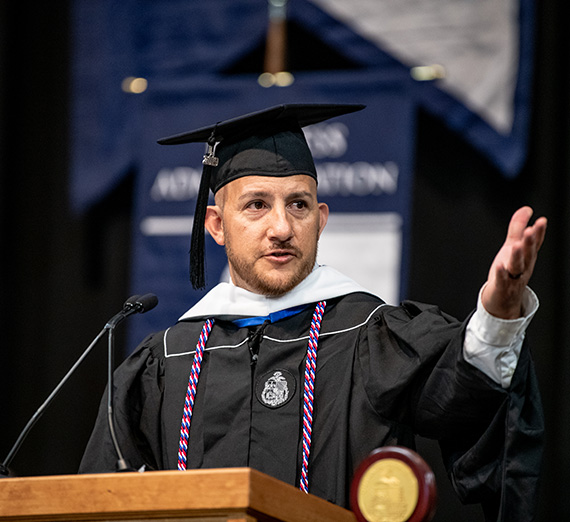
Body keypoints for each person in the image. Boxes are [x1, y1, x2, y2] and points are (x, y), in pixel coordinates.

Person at [79, 104, 547, 521]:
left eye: (297, 205)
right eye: (257, 205)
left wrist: (499, 309)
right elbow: (102, 499)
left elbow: (463, 391)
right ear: (217, 226)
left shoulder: (370, 335)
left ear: (320, 220)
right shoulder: (166, 361)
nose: (281, 227)